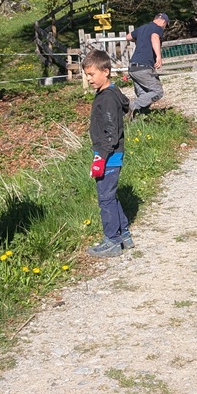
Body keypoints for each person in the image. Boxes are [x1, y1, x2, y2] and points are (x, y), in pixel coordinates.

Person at [82, 48, 133, 257]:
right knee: (110, 196)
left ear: (106, 71)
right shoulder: (106, 94)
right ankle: (123, 235)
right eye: (87, 75)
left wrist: (100, 157)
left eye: (92, 74)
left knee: (105, 198)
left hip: (109, 155)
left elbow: (112, 132)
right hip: (109, 154)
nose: (89, 79)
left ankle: (111, 240)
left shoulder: (109, 98)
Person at [125, 12, 169, 113]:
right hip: (144, 67)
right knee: (157, 92)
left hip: (133, 67)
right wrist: (158, 56)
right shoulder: (157, 28)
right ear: (163, 22)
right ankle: (130, 106)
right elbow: (154, 37)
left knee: (144, 96)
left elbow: (128, 37)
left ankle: (137, 118)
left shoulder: (142, 28)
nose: (164, 27)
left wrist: (140, 39)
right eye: (165, 25)